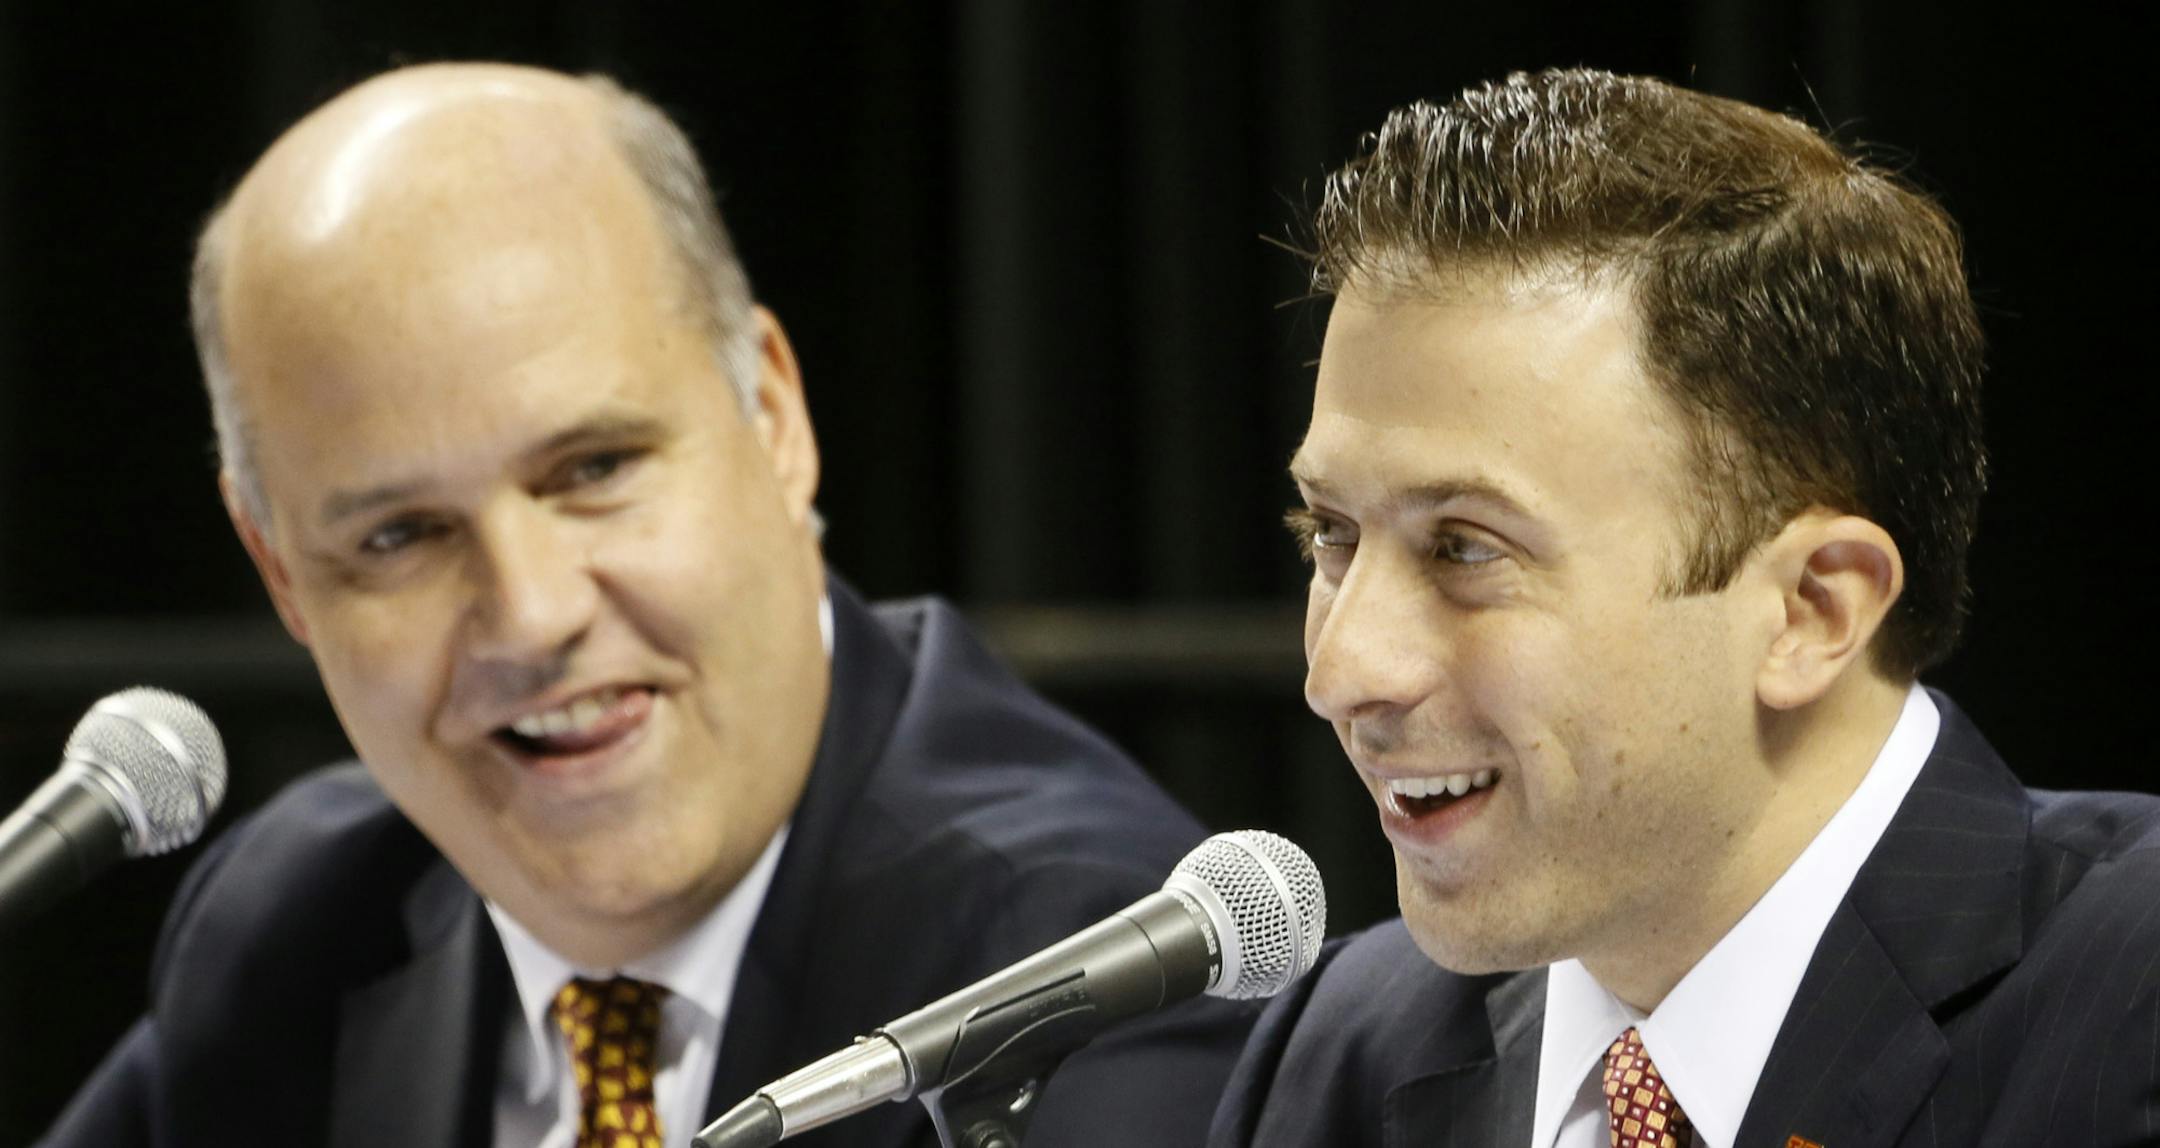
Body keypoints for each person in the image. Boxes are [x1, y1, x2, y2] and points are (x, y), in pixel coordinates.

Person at [40, 62, 1252, 1148]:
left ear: (772, 417)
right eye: (400, 535)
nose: (528, 613)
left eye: (594, 469)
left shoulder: (1092, 966)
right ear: (281, 574)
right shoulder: (298, 921)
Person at [1209, 68, 2160, 1148]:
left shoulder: (2133, 1009)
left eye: (1465, 547)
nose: (1341, 670)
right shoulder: (1339, 1051)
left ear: (1811, 608)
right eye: (1331, 533)